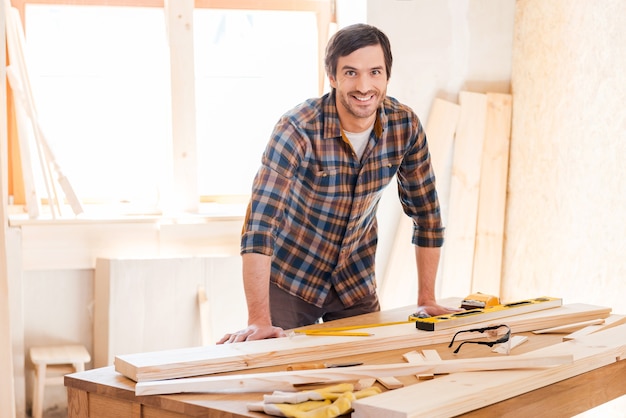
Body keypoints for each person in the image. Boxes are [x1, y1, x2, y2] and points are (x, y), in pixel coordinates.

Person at [218, 23, 459, 344]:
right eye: (350, 73)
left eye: (375, 72)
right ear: (331, 77)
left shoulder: (404, 126)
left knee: (365, 371)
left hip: (354, 280)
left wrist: (426, 299)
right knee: (282, 373)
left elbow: (427, 215)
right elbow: (259, 228)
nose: (364, 85)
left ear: (387, 76)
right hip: (292, 280)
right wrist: (258, 321)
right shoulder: (297, 128)